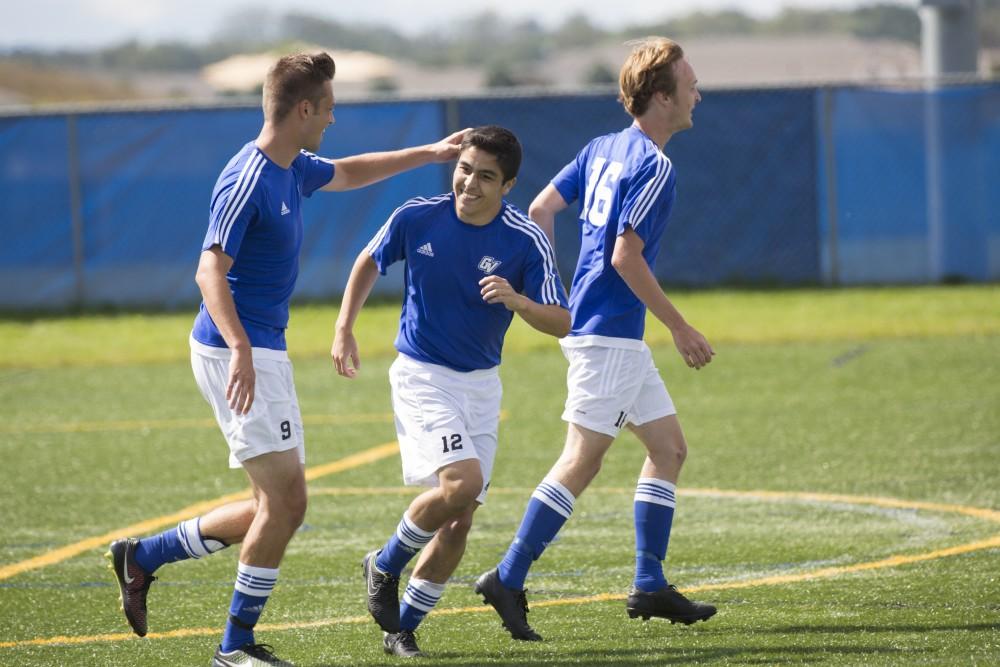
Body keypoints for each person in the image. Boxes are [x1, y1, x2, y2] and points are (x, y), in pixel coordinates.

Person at [105, 51, 467, 667]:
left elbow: (350, 172)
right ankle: (234, 648)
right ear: (303, 109)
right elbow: (207, 269)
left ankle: (144, 557)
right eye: (326, 108)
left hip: (261, 348)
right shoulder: (249, 177)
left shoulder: (292, 167)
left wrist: (430, 154)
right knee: (287, 505)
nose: (332, 118)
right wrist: (243, 349)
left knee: (271, 504)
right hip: (235, 350)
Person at [474, 37, 717, 642]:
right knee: (581, 459)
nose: (697, 92)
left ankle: (649, 583)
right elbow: (625, 257)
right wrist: (679, 326)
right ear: (661, 97)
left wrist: (556, 284)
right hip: (607, 336)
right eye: (689, 84)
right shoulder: (655, 166)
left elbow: (540, 208)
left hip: (611, 337)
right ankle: (508, 576)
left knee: (668, 449)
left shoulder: (602, 148)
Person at [331, 125, 570, 658]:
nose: (470, 183)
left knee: (459, 519)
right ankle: (385, 563)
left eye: (486, 176)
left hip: (482, 384)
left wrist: (517, 301)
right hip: (422, 374)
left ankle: (402, 629)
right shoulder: (417, 215)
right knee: (463, 483)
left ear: (508, 185)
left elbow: (561, 320)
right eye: (464, 169)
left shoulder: (524, 239)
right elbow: (369, 260)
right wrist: (345, 326)